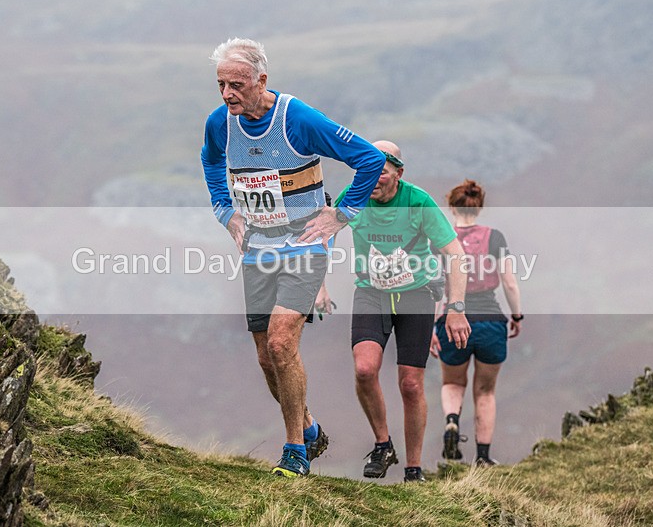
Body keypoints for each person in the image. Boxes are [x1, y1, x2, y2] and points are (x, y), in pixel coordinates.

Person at [200, 38, 385, 478]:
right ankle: (309, 428)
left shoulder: (297, 118)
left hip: (304, 243)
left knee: (283, 343)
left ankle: (295, 452)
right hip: (259, 246)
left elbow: (370, 159)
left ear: (261, 80)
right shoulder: (219, 122)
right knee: (267, 357)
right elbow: (210, 161)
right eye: (221, 84)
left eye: (237, 84)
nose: (228, 94)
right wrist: (226, 213)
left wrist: (340, 215)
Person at [326, 141, 471, 483]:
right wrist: (318, 285)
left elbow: (455, 253)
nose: (373, 178)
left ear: (398, 174)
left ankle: (413, 469)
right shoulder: (354, 193)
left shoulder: (418, 201)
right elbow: (325, 233)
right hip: (371, 293)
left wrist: (456, 308)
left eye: (382, 172)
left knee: (410, 384)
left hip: (416, 296)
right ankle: (382, 445)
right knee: (364, 369)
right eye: (367, 170)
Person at [431, 179, 523, 467]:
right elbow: (509, 282)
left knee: (452, 382)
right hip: (490, 322)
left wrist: (432, 326)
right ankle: (483, 456)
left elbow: (435, 287)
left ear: (451, 206)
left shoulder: (442, 238)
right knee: (485, 391)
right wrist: (517, 315)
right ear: (479, 207)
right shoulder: (494, 237)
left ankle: (451, 421)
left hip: (451, 321)